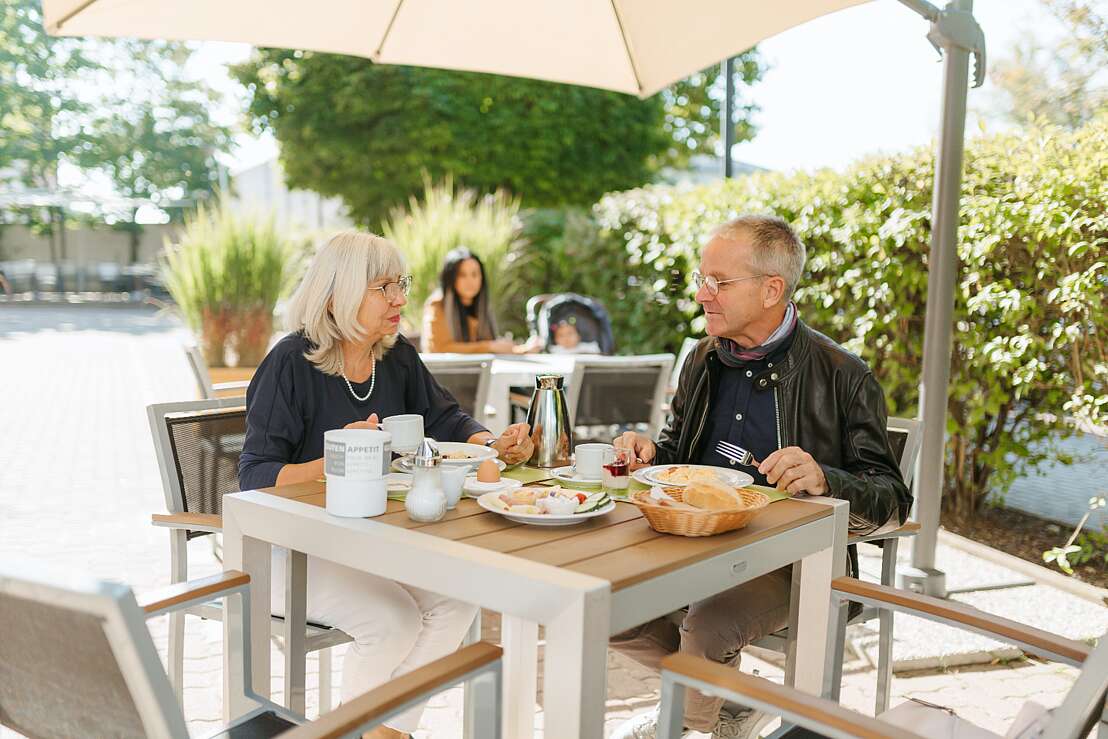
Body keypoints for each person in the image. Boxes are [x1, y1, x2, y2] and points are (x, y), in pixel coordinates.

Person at [610, 215, 912, 739]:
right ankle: (724, 703)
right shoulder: (704, 358)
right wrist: (649, 453)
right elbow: (679, 453)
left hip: (793, 558)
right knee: (605, 604)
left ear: (772, 289)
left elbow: (892, 501)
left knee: (705, 627)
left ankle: (692, 727)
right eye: (702, 279)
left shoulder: (843, 374)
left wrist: (826, 479)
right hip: (695, 544)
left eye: (720, 282)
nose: (704, 294)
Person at [239, 230, 534, 739]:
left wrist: (493, 442)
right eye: (383, 287)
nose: (401, 298)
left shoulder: (395, 357)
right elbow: (256, 476)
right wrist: (339, 456)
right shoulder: (289, 362)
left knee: (458, 600)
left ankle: (381, 732)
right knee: (392, 621)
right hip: (289, 549)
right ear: (338, 294)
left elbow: (445, 418)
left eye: (401, 284)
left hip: (367, 540)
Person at [421, 246, 540, 354]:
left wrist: (524, 349)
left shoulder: (481, 306)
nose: (470, 281)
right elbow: (440, 349)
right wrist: (489, 346)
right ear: (451, 279)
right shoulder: (437, 305)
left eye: (475, 274)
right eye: (462, 275)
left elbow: (492, 347)